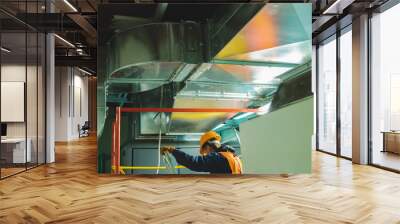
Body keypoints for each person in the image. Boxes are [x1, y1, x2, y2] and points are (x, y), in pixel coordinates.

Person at [161, 131, 243, 174]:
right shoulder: (234, 156)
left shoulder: (218, 158)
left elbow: (193, 162)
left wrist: (173, 150)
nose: (207, 154)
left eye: (205, 152)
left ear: (208, 146)